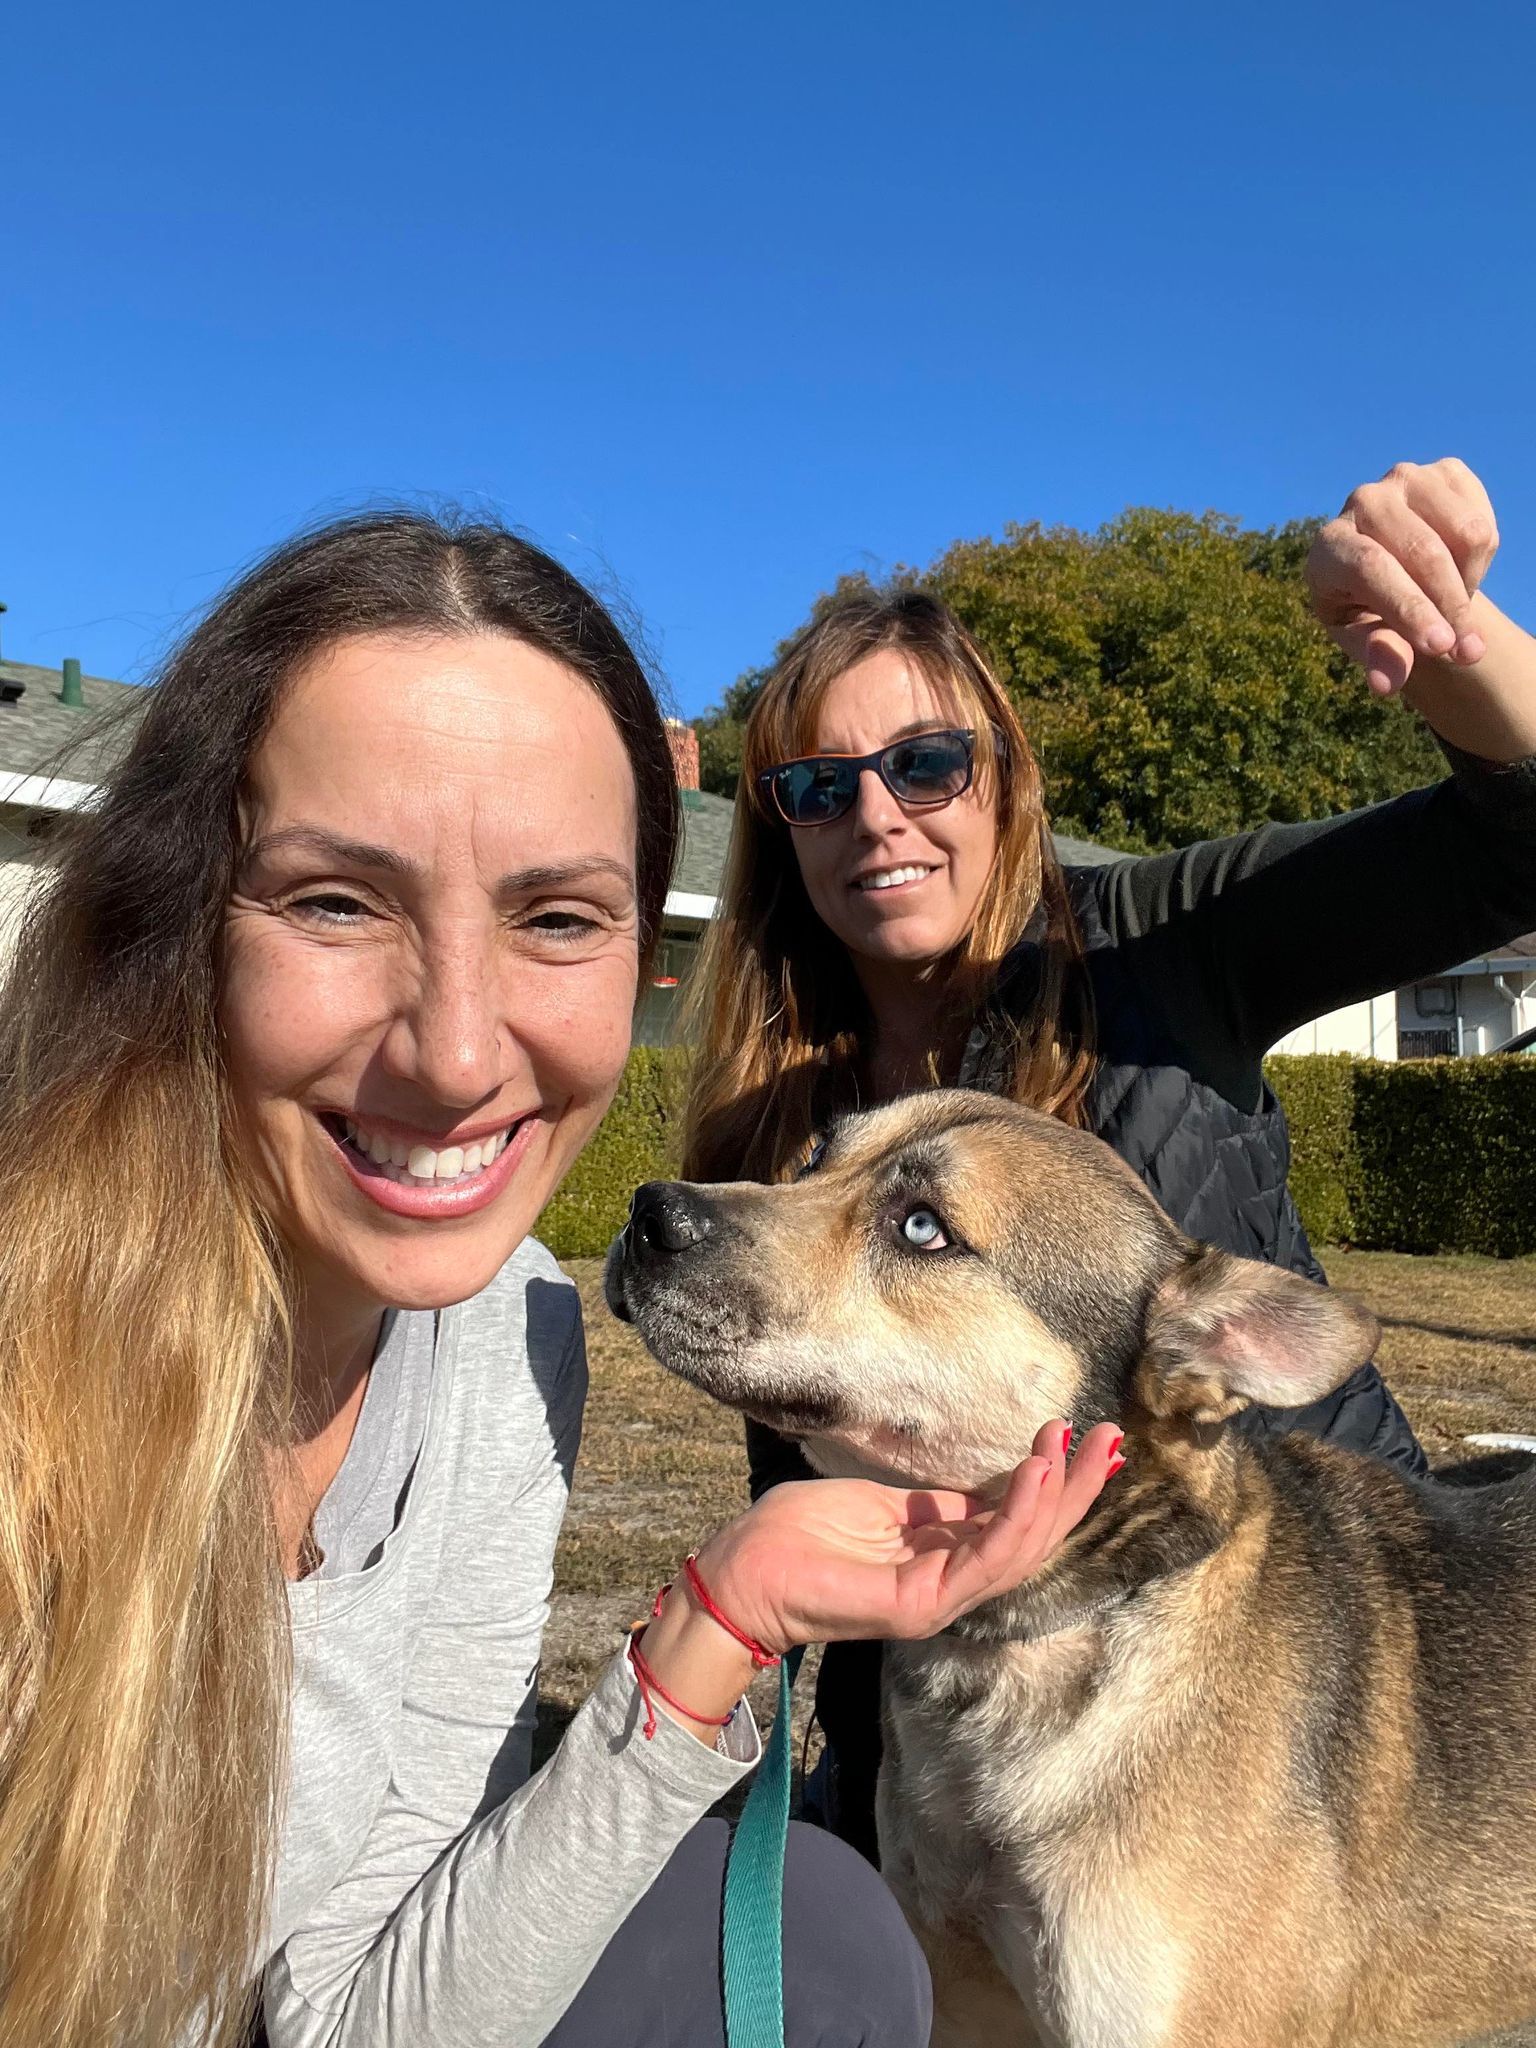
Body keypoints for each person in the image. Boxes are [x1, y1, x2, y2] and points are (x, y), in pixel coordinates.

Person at [0, 513, 1125, 2048]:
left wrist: (733, 1606)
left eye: (554, 917)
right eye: (337, 899)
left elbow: (364, 2011)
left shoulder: (508, 1331)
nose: (458, 1057)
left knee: (827, 1929)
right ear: (173, 923)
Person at [683, 455, 1536, 1862]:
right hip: (953, 1685)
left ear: (1003, 777)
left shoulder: (1157, 943)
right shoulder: (783, 1119)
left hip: (1279, 1652)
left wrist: (1444, 628)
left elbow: (1514, 845)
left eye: (926, 764)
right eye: (819, 785)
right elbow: (814, 1483)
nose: (879, 816)